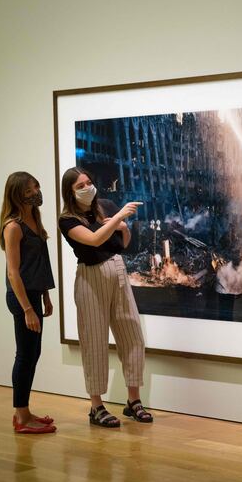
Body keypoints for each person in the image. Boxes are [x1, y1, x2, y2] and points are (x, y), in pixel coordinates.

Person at [58, 167, 153, 427]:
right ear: (70, 191)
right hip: (91, 277)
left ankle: (133, 400)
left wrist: (122, 226)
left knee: (132, 335)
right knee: (95, 342)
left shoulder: (105, 205)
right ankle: (97, 406)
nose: (87, 187)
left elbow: (121, 242)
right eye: (80, 185)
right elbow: (94, 239)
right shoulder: (67, 220)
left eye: (89, 182)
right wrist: (118, 218)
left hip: (117, 269)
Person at [0, 172, 57, 434]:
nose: (37, 192)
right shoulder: (13, 226)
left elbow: (39, 264)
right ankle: (21, 418)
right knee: (25, 355)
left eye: (38, 187)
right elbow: (14, 272)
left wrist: (45, 295)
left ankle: (24, 411)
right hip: (21, 298)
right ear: (19, 192)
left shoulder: (34, 219)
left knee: (33, 354)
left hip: (34, 295)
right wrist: (28, 309)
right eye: (32, 188)